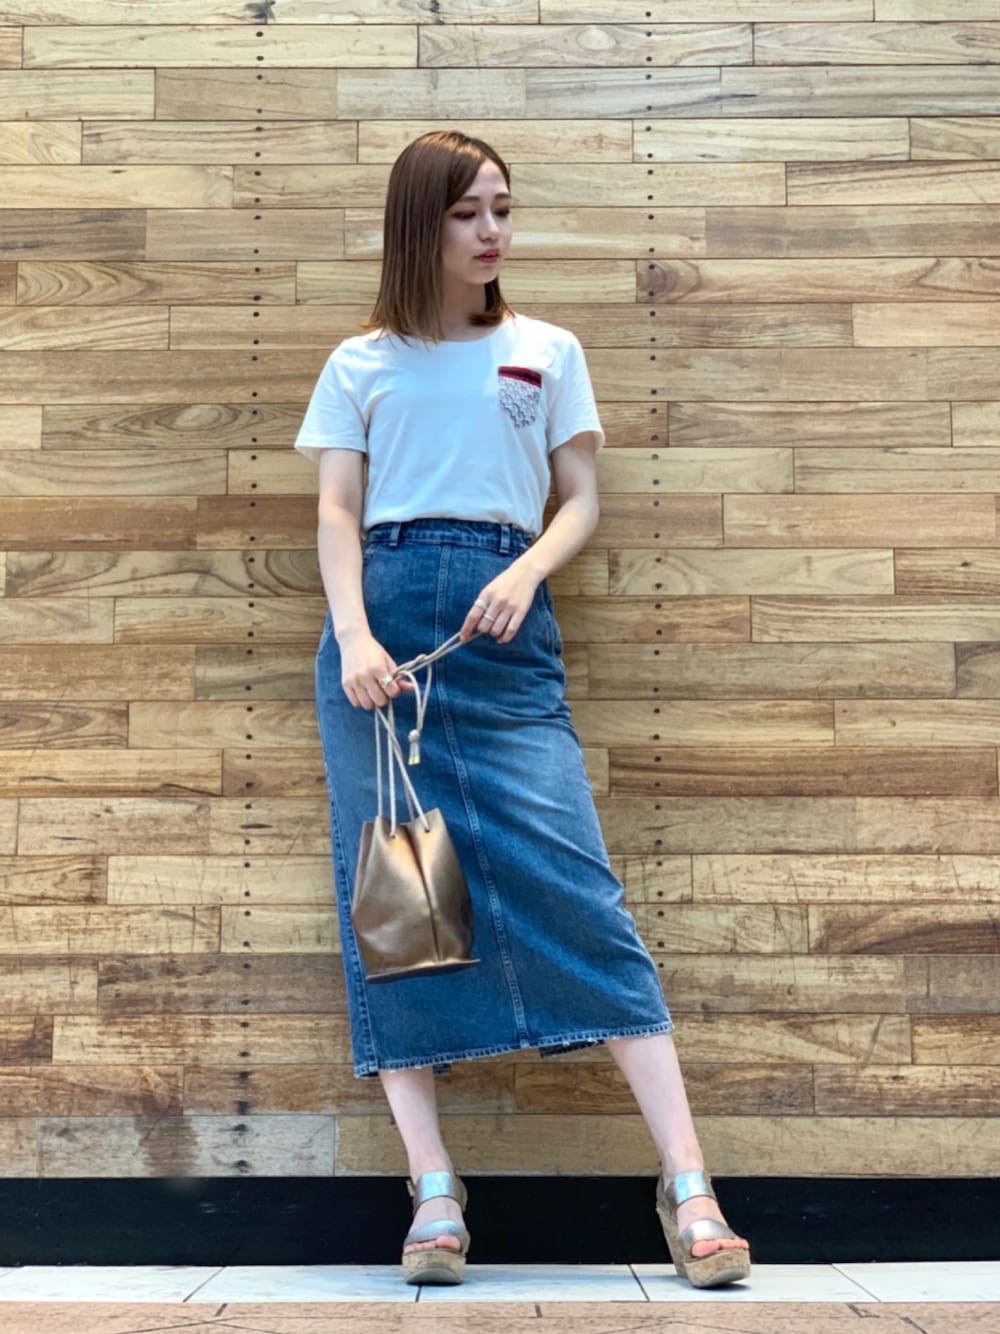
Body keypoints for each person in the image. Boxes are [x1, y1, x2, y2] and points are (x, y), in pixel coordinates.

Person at [294, 130, 751, 1290]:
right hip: (381, 655)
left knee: (579, 891)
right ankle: (434, 1190)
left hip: (505, 642)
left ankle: (688, 1183)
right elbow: (338, 512)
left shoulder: (546, 350)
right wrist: (355, 637)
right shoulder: (360, 361)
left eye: (501, 207)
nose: (491, 230)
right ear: (419, 225)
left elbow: (580, 498)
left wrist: (525, 569)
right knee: (402, 907)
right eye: (466, 212)